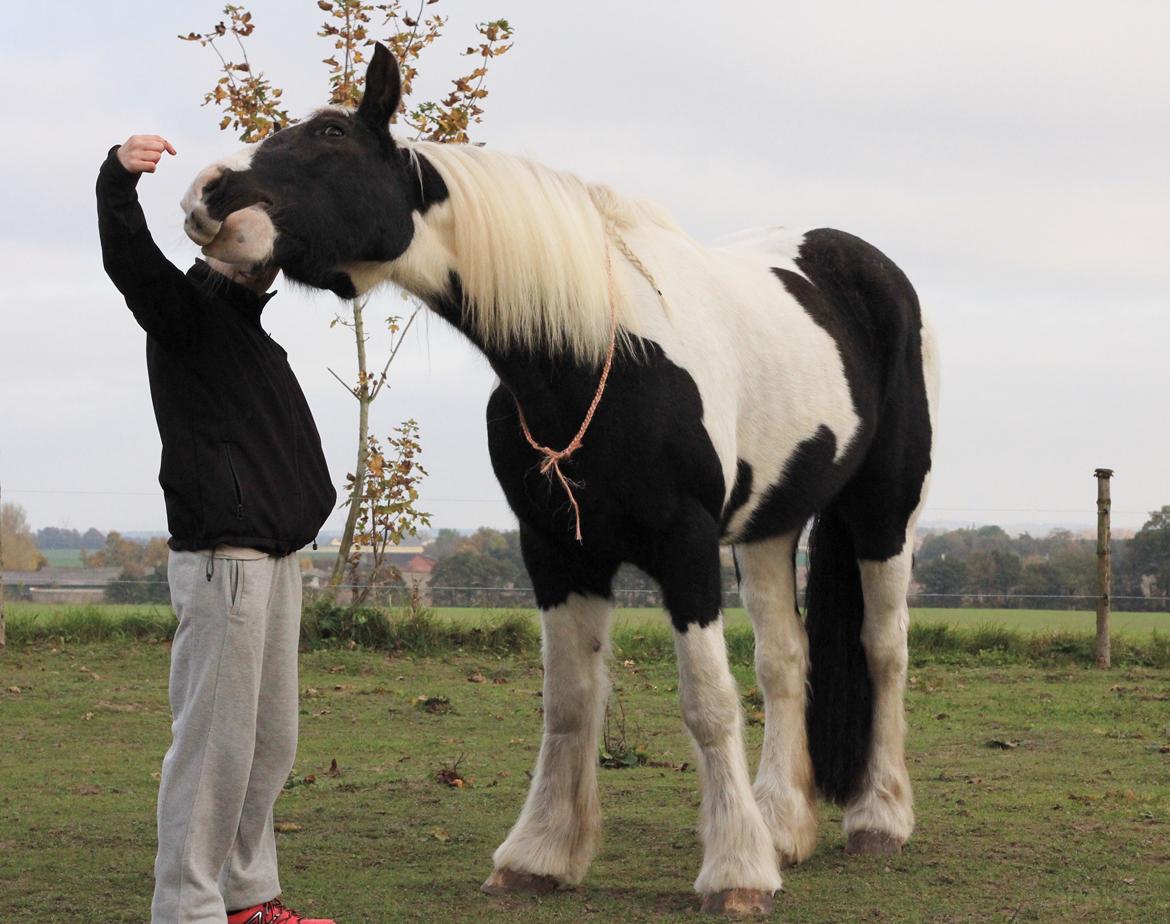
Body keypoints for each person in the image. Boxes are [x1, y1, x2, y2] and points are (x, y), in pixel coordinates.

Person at [97, 134, 338, 924]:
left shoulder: (248, 330)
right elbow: (130, 263)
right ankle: (188, 910)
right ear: (221, 243)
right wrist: (116, 177)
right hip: (224, 560)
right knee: (212, 755)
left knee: (267, 748)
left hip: (273, 560)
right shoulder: (187, 316)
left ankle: (247, 898)